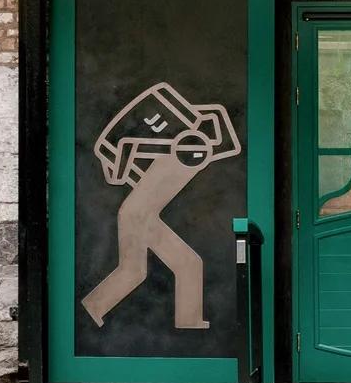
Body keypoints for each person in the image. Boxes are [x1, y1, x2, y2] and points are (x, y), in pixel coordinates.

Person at [81, 82, 241, 330]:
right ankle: (94, 307)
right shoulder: (170, 153)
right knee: (141, 270)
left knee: (184, 264)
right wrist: (134, 153)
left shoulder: (194, 154)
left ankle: (188, 321)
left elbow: (225, 138)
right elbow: (118, 167)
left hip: (143, 216)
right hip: (136, 216)